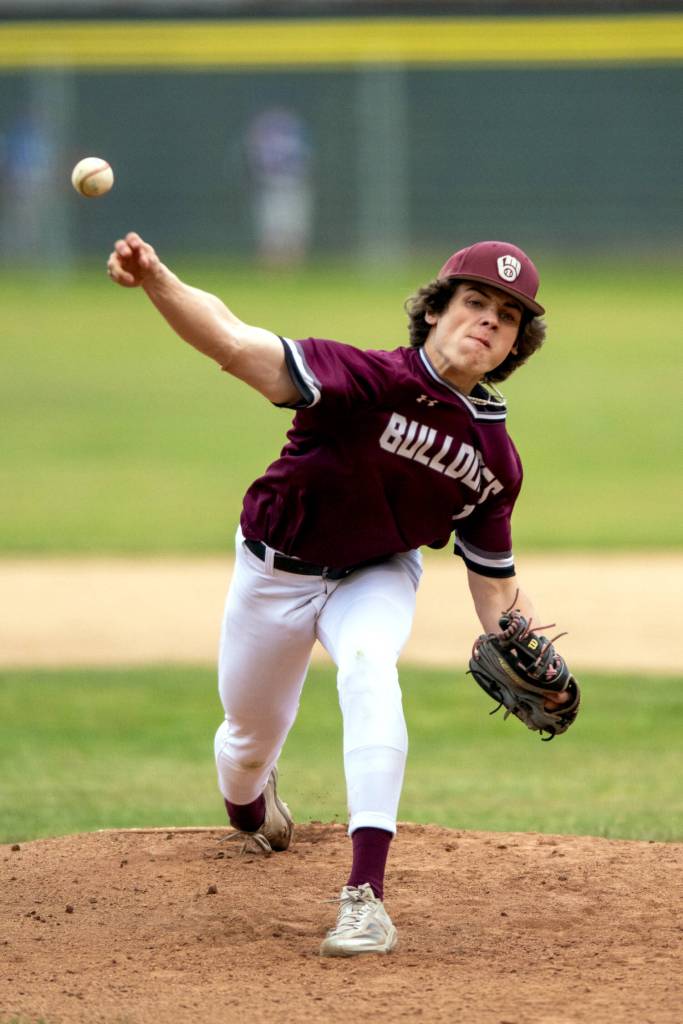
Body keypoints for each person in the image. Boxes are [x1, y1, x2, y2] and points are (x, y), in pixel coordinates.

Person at [107, 233, 569, 958]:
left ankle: (366, 897)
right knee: (245, 740)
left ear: (514, 346)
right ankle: (252, 804)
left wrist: (525, 641)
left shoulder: (493, 459)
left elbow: (493, 581)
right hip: (274, 572)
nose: (487, 321)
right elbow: (233, 343)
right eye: (474, 302)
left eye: (506, 318)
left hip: (375, 573)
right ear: (434, 312)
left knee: (369, 667)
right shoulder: (360, 377)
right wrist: (158, 276)